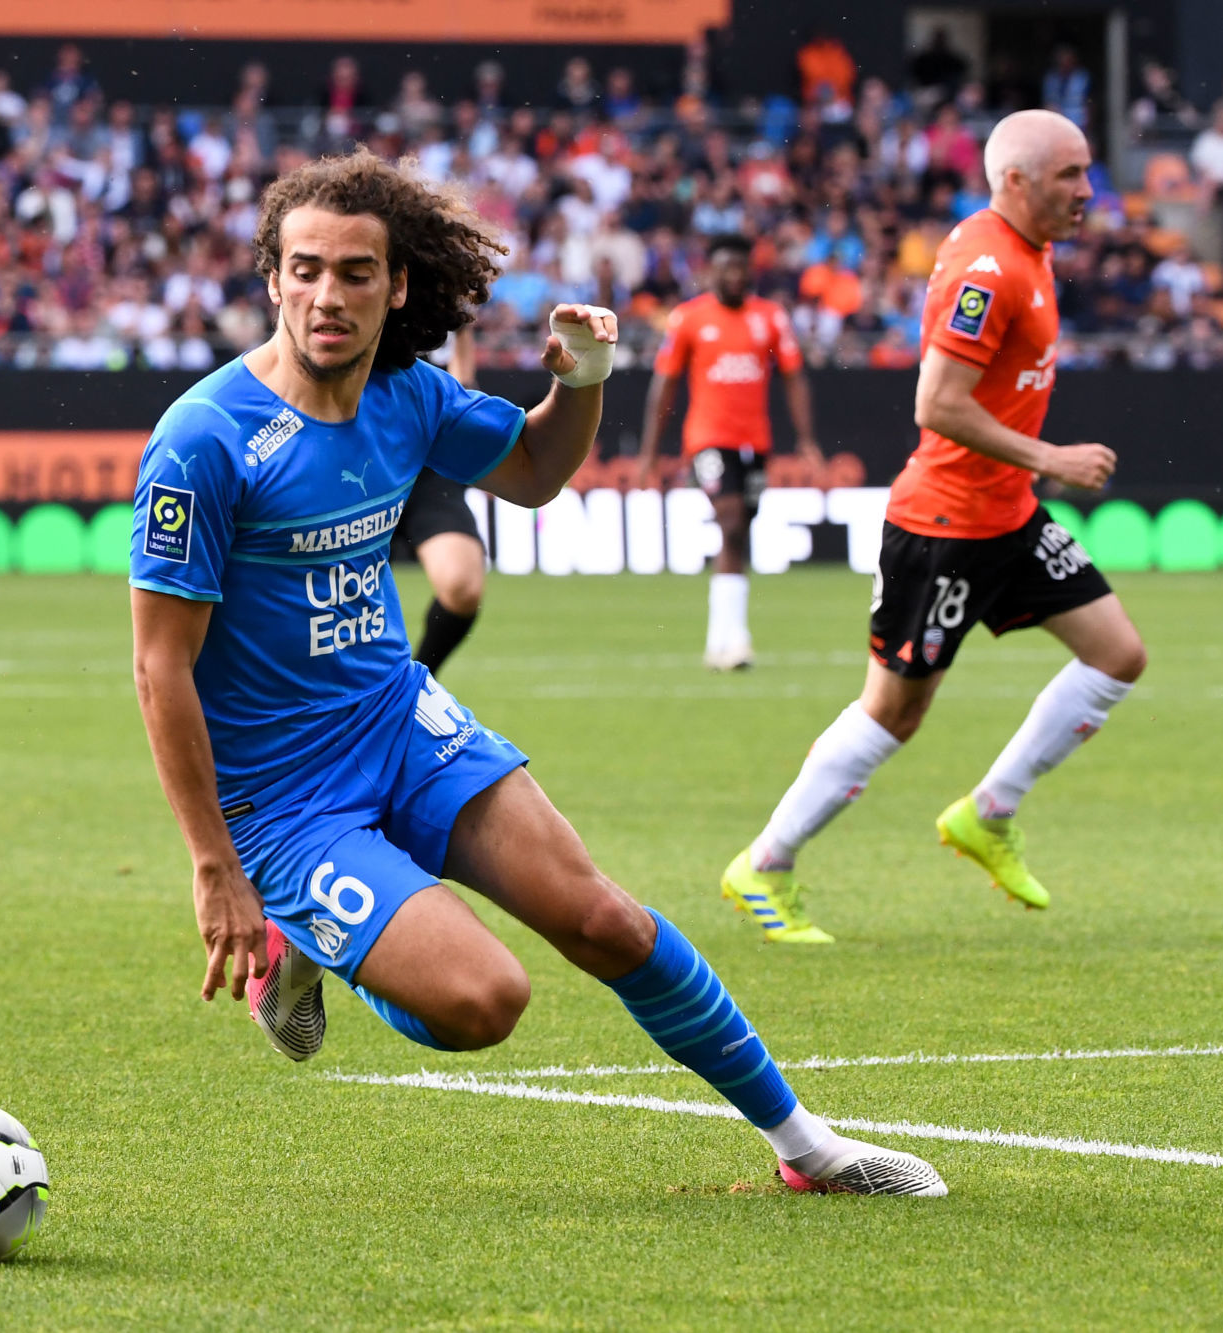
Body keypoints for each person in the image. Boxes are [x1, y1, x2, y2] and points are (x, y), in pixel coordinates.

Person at [127, 151, 946, 1196]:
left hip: (398, 724)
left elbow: (533, 469)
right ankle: (309, 940)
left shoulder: (407, 393)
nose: (327, 295)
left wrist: (583, 382)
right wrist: (214, 865)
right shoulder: (203, 439)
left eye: (355, 272)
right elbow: (160, 667)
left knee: (606, 920)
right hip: (284, 800)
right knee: (484, 1000)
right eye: (306, 270)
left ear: (398, 285)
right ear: (272, 278)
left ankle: (807, 1147)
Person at [720, 110, 1145, 944]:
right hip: (945, 525)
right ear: (1016, 181)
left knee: (1117, 653)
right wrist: (1052, 457)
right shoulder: (989, 266)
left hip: (1009, 514)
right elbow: (937, 403)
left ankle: (990, 811)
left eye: (1087, 172)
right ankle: (764, 862)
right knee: (894, 711)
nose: (1088, 191)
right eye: (1070, 175)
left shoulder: (1030, 248)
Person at [634, 234, 819, 669]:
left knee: (738, 532)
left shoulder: (770, 318)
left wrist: (807, 439)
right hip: (707, 440)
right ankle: (737, 638)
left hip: (755, 442)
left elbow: (793, 377)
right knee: (731, 519)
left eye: (741, 267)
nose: (735, 275)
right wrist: (649, 452)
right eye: (726, 268)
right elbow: (665, 384)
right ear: (710, 272)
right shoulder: (688, 319)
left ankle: (719, 642)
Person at [392, 322, 488, 677]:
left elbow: (461, 390)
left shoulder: (443, 313)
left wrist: (463, 328)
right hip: (365, 460)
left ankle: (420, 683)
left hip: (431, 474)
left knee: (463, 586)